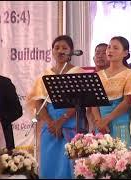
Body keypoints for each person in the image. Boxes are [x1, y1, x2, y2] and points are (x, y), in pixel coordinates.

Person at [26, 35, 86, 179]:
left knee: (68, 166)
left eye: (65, 48)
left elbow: (81, 102)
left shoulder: (78, 72)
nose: (60, 51)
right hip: (49, 128)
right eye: (57, 48)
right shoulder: (44, 75)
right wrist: (51, 122)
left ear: (71, 52)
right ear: (52, 51)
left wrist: (61, 121)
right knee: (48, 165)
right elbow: (37, 101)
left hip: (71, 125)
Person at [90, 36, 131, 148]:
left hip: (120, 123)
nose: (110, 50)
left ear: (125, 53)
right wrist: (98, 121)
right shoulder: (99, 75)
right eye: (109, 47)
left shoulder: (129, 74)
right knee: (98, 162)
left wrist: (106, 119)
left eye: (115, 48)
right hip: (100, 126)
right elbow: (93, 101)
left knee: (120, 162)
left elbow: (127, 102)